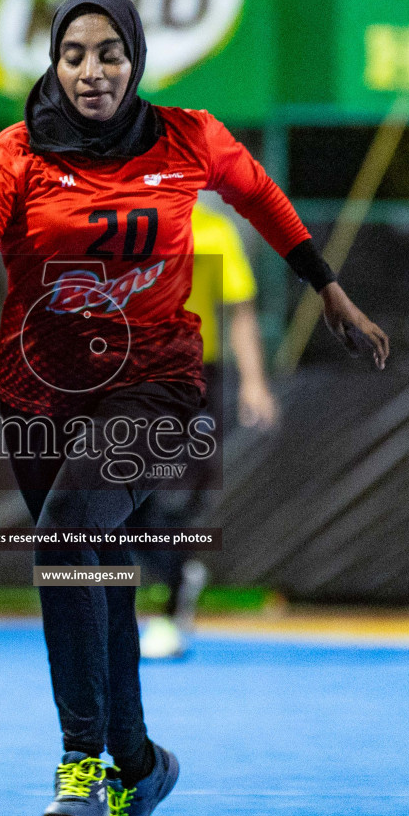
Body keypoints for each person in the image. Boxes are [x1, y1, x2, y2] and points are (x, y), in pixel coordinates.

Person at [0, 0, 387, 816]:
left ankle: (83, 759)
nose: (93, 71)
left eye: (110, 54)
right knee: (99, 574)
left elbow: (262, 198)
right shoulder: (17, 154)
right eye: (74, 55)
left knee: (66, 536)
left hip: (153, 391)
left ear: (137, 59)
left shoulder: (188, 138)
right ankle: (140, 770)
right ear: (52, 65)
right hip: (37, 398)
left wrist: (327, 286)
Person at [136, 200, 279, 660]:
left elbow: (240, 310)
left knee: (178, 494)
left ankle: (172, 602)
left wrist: (254, 382)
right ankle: (175, 579)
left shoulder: (215, 232)